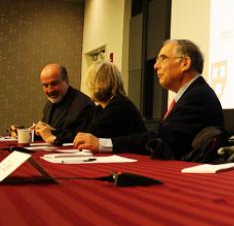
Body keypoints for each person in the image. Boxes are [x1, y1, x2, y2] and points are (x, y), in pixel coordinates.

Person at [74, 39, 224, 158]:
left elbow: (162, 139)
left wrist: (102, 144)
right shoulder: (192, 93)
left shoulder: (197, 96)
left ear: (185, 63)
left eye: (162, 59)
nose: (155, 66)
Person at [33, 63, 94, 145]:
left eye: (54, 84)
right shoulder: (50, 103)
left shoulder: (84, 105)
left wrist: (51, 135)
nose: (50, 90)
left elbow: (82, 137)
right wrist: (32, 132)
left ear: (66, 80)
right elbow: (46, 132)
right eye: (45, 85)